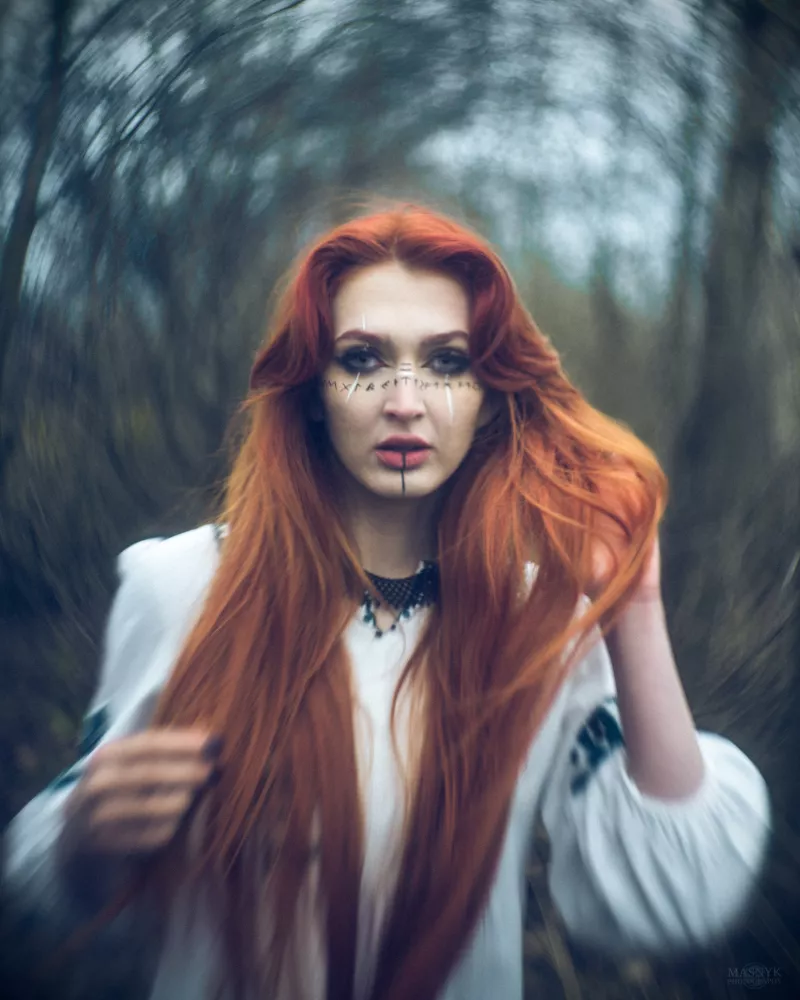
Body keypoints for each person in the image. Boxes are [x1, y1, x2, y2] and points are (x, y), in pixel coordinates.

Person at [3, 205, 771, 1000]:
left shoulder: (540, 622)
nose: (405, 401)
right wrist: (81, 840)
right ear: (310, 390)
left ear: (489, 396)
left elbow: (676, 895)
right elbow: (46, 878)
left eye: (446, 363)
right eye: (364, 359)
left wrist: (633, 602)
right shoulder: (183, 586)